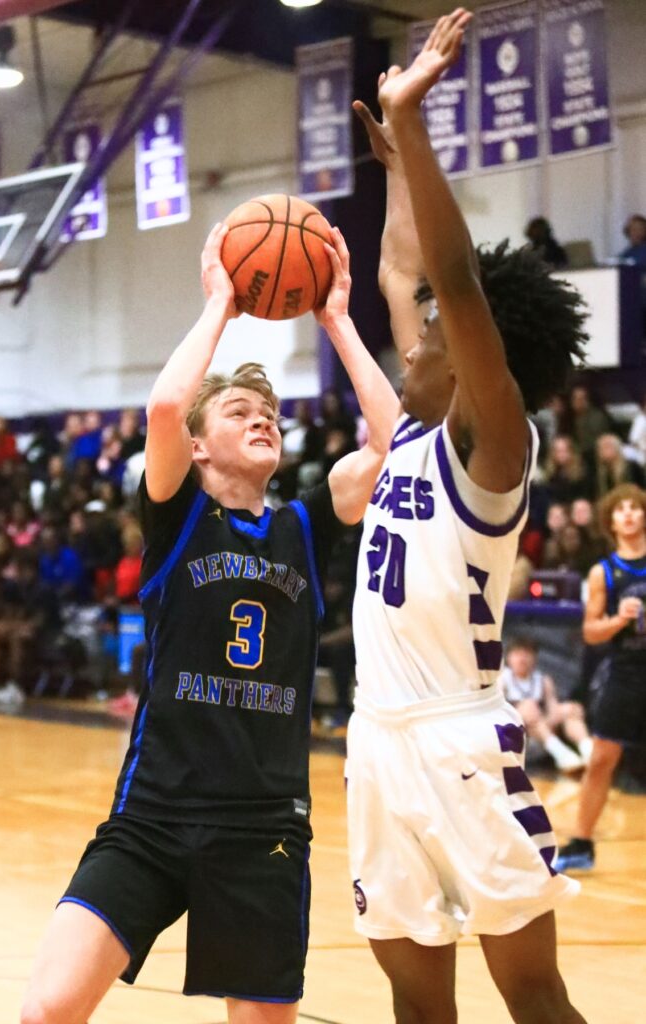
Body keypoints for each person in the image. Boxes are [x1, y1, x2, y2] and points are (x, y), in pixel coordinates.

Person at [20, 222, 399, 1024]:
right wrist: (221, 306)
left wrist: (336, 318)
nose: (263, 418)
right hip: (152, 816)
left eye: (270, 411)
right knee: (46, 1010)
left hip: (261, 827)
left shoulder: (305, 524)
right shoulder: (177, 518)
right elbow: (164, 405)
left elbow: (391, 439)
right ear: (196, 447)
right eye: (238, 410)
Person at [348, 10, 588, 1023]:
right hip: (375, 738)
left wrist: (415, 129)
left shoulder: (489, 443)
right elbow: (406, 276)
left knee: (529, 993)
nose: (410, 339)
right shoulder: (410, 425)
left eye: (431, 335)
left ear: (478, 358)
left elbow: (449, 281)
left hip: (461, 742)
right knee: (414, 996)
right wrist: (397, 170)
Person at [556, 483, 646, 872]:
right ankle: (581, 843)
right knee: (602, 759)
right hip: (625, 671)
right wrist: (620, 619)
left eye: (635, 507)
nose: (628, 514)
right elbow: (591, 633)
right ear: (610, 521)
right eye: (620, 509)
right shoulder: (604, 572)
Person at [499, 637, 592, 773]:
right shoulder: (502, 680)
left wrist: (546, 719)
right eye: (518, 654)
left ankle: (589, 751)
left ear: (535, 658)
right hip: (513, 741)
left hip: (542, 737)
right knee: (528, 707)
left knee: (572, 708)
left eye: (527, 653)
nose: (522, 658)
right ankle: (562, 754)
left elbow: (553, 713)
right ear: (508, 658)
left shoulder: (543, 680)